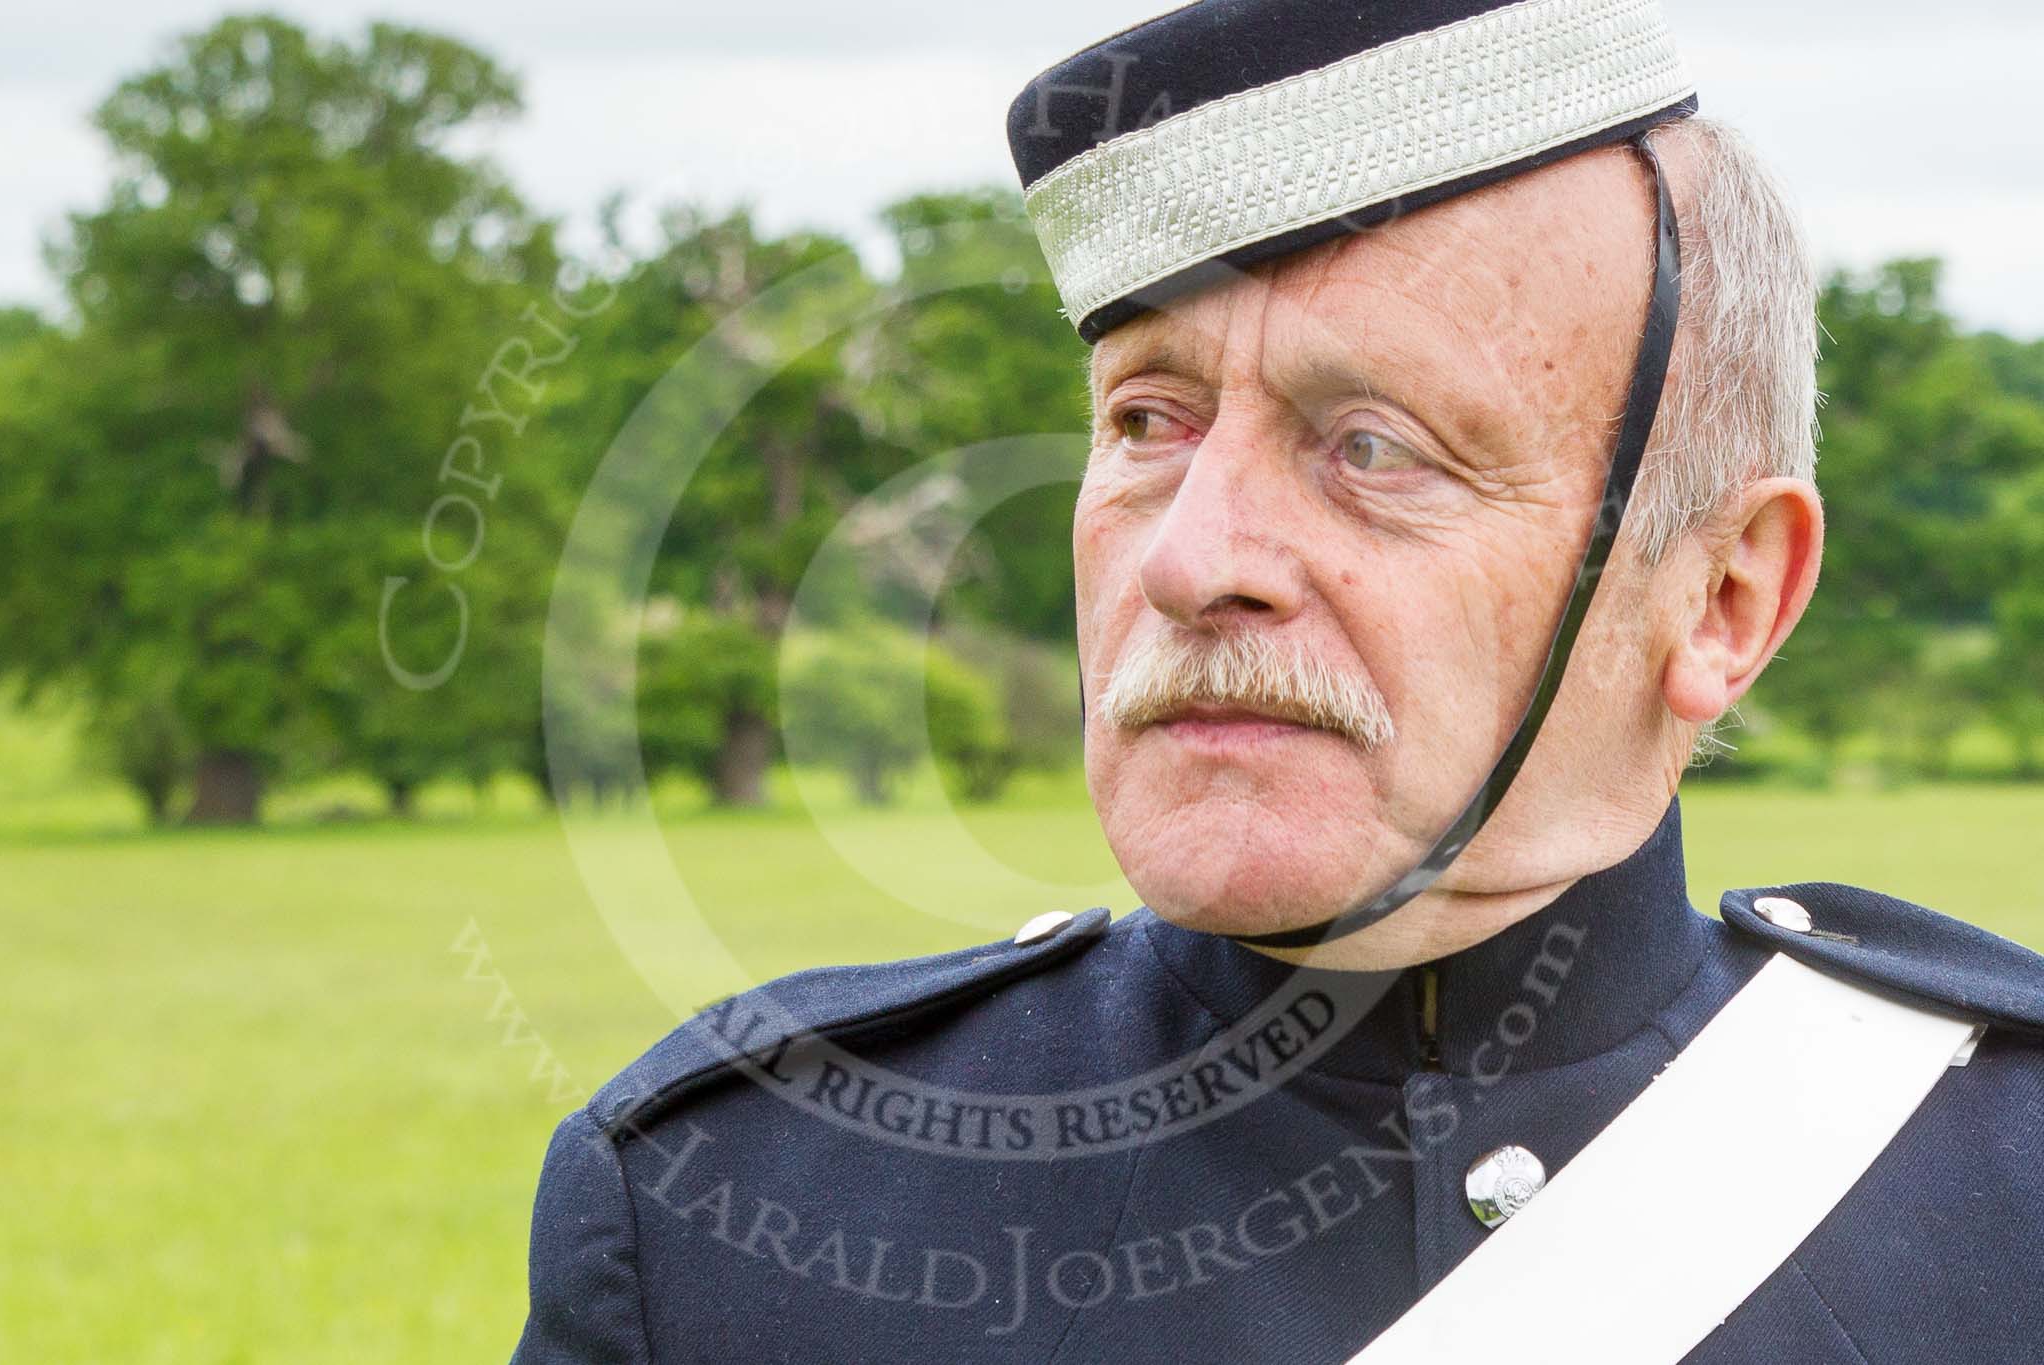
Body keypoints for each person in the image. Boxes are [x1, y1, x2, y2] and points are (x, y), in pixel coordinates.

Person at [511, 2, 2044, 1360]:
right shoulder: (727, 1225)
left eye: (1371, 447)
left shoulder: (2009, 1195)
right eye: (1149, 422)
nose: (1189, 561)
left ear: (1723, 599)